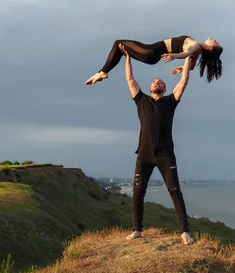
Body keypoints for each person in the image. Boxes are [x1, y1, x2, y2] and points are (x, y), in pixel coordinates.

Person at [119, 43, 194, 245]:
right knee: (137, 193)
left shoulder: (171, 101)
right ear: (151, 88)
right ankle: (137, 230)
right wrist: (128, 57)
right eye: (154, 81)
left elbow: (184, 79)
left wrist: (187, 56)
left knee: (174, 191)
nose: (157, 82)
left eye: (160, 81)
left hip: (165, 154)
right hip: (143, 154)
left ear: (164, 88)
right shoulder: (141, 100)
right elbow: (130, 79)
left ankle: (184, 232)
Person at [84, 35, 223, 85]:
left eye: (215, 43)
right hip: (152, 55)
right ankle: (103, 72)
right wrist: (182, 68)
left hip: (151, 52)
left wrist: (175, 56)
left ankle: (103, 72)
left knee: (118, 43)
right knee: (121, 49)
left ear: (211, 48)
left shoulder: (195, 46)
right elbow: (191, 67)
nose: (214, 39)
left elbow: (185, 53)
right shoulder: (197, 52)